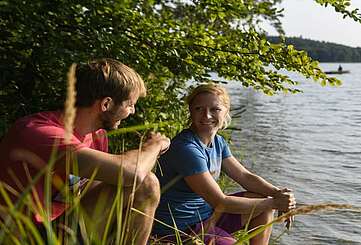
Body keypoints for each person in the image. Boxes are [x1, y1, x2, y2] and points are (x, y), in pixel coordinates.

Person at [0, 58, 170, 244]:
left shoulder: (97, 136)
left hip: (60, 226)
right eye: (130, 104)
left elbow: (94, 188)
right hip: (22, 235)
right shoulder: (40, 133)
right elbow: (132, 172)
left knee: (144, 186)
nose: (132, 111)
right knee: (145, 181)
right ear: (106, 104)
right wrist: (153, 145)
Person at [152, 83, 296, 245]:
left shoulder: (218, 142)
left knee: (261, 201)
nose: (206, 116)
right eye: (199, 109)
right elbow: (220, 201)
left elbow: (244, 176)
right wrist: (275, 203)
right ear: (191, 111)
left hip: (208, 216)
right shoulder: (186, 148)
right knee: (265, 204)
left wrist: (278, 194)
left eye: (215, 109)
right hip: (178, 229)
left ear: (226, 111)